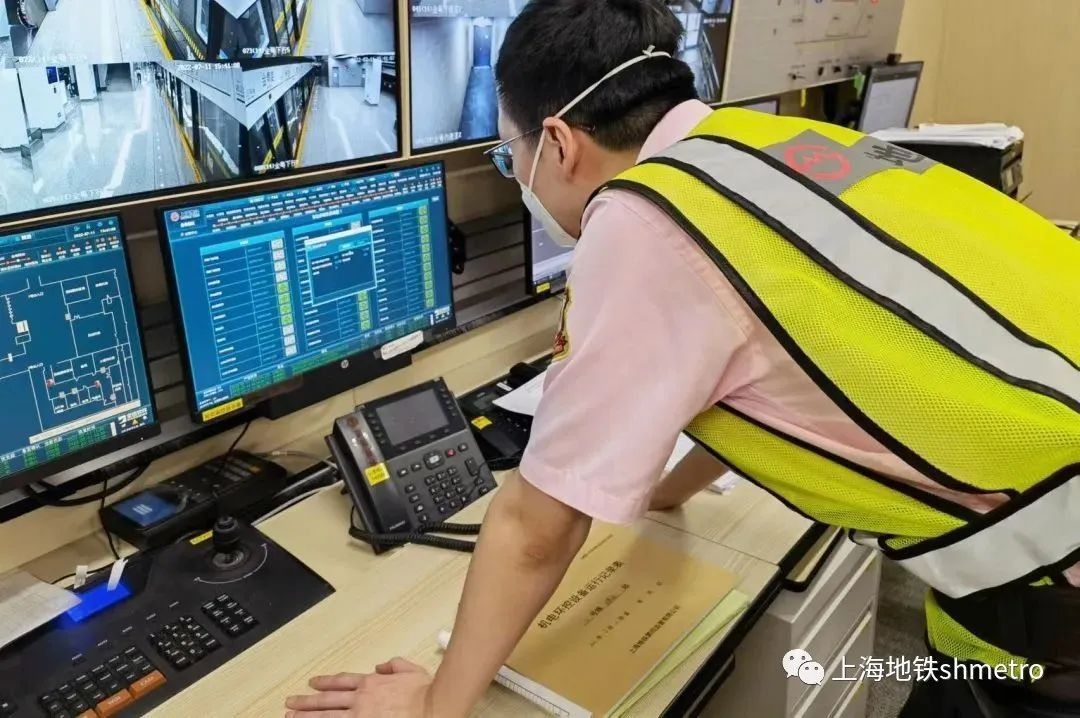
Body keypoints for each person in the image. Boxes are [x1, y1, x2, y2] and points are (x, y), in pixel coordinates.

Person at [284, 1, 1080, 716]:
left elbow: (534, 529)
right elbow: (772, 350)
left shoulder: (646, 219)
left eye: (508, 157)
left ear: (556, 142)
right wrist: (668, 489)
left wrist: (434, 704)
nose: (516, 177)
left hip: (1055, 580)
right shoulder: (760, 140)